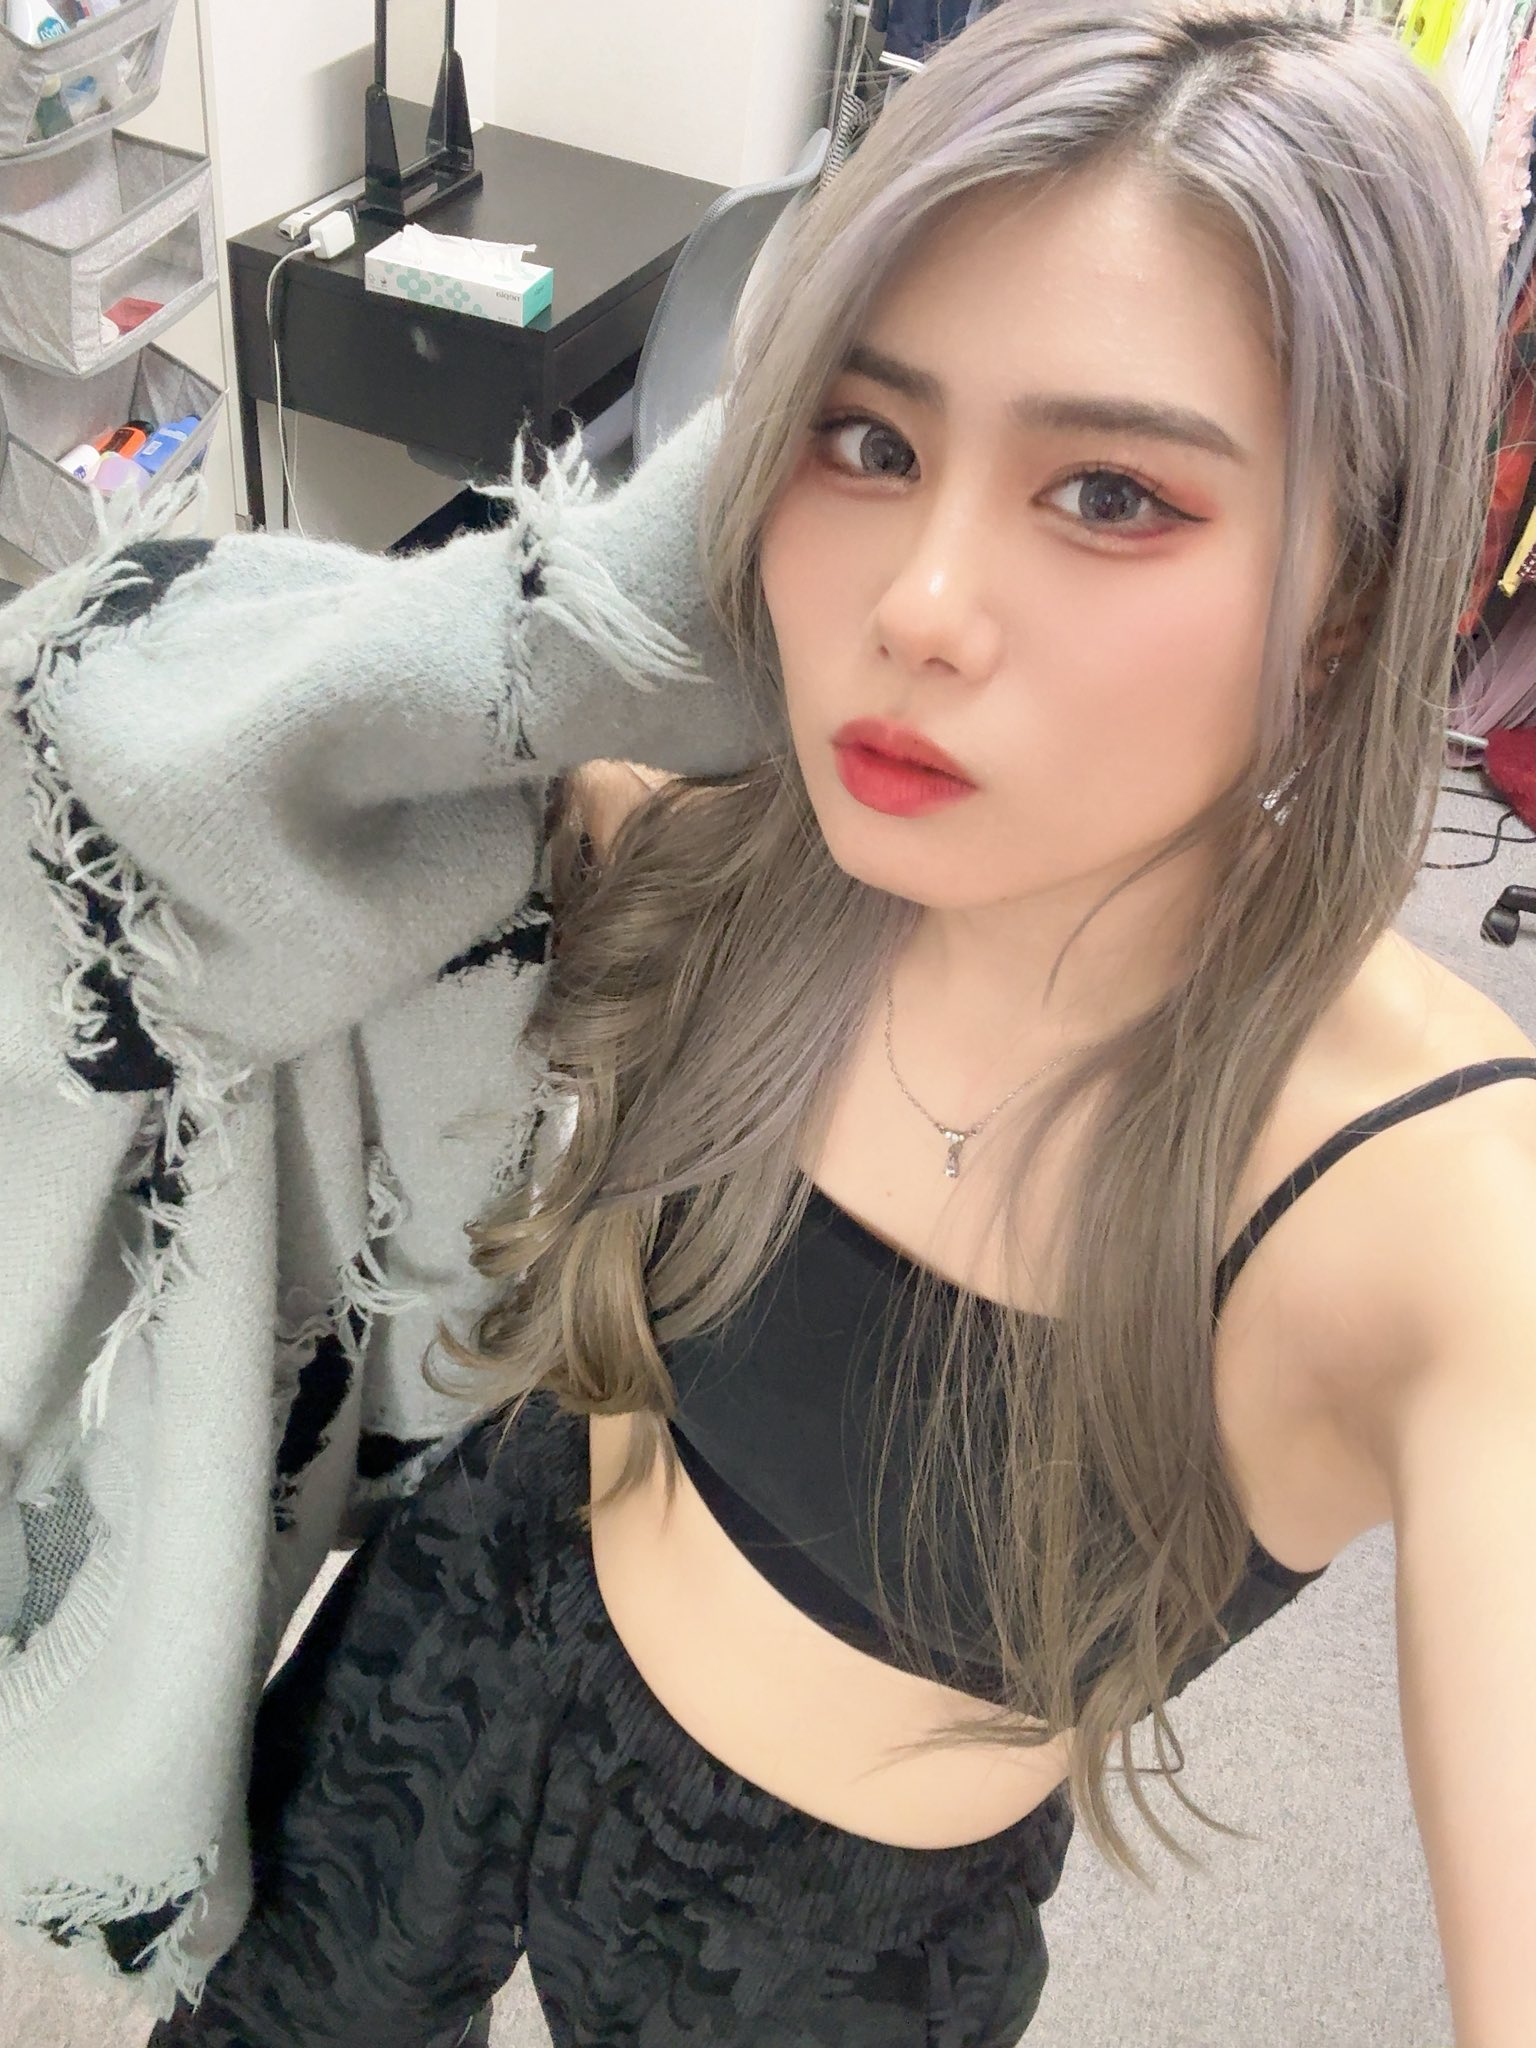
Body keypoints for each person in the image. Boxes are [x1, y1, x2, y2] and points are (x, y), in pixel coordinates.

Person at [114, 0, 1534, 2041]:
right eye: (869, 442)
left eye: (1113, 491)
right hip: (477, 1594)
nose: (916, 604)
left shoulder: (1441, 1217)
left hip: (805, 1922)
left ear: (1352, 588)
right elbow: (266, 775)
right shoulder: (742, 847)